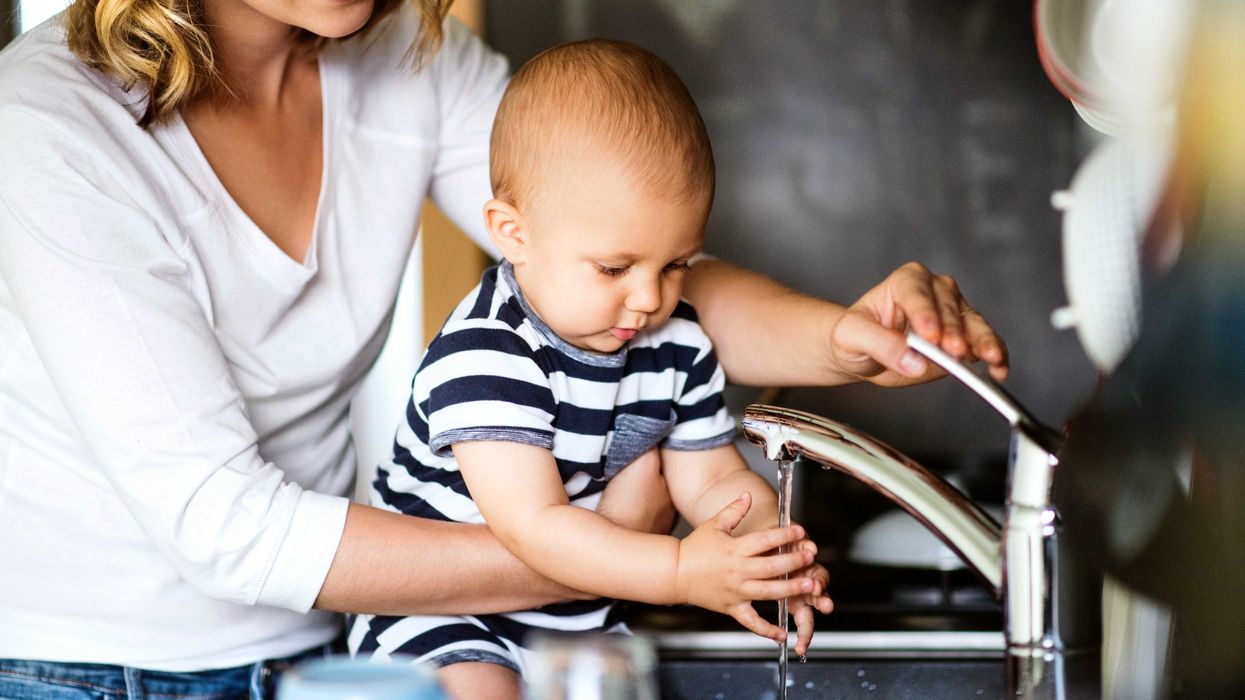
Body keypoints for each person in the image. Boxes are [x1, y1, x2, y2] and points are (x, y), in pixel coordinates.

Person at [0, 0, 1008, 696]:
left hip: (329, 655)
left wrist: (847, 337)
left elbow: (633, 270)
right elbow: (228, 527)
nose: (645, 299)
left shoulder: (404, 59)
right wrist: (634, 558)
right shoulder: (51, 125)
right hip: (98, 670)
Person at [347, 39, 832, 698]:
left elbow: (711, 476)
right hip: (444, 614)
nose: (648, 297)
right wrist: (680, 571)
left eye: (675, 265)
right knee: (482, 690)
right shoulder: (486, 354)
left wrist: (756, 555)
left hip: (582, 615)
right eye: (614, 268)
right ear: (513, 234)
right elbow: (534, 525)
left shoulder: (675, 339)